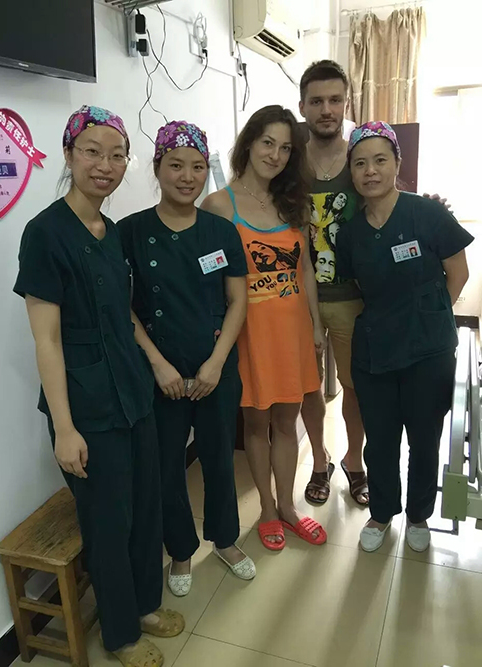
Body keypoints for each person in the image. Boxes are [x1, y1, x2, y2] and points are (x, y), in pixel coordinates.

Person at [14, 106, 185, 667]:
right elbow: (46, 340)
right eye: (91, 151)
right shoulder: (45, 233)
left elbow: (124, 315)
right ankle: (121, 636)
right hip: (86, 404)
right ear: (68, 155)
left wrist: (156, 362)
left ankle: (145, 605)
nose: (104, 165)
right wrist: (64, 428)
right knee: (109, 523)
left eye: (116, 155)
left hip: (132, 391)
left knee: (146, 507)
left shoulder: (110, 233)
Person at [299, 59, 452, 508]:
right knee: (307, 387)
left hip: (356, 299)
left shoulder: (359, 154)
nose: (326, 109)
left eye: (335, 100)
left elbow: (392, 204)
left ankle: (354, 462)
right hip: (301, 296)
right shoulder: (290, 162)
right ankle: (319, 462)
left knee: (357, 388)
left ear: (346, 103)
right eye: (316, 101)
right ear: (303, 106)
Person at [117, 120, 255, 598]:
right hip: (162, 373)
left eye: (197, 167)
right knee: (166, 467)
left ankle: (225, 539)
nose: (188, 176)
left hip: (215, 367)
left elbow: (238, 301)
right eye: (176, 165)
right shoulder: (130, 232)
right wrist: (158, 364)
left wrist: (216, 363)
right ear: (157, 168)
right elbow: (123, 308)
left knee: (219, 459)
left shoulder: (221, 231)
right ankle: (179, 549)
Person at [336, 121, 473, 552]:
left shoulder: (427, 214)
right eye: (360, 163)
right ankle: (381, 514)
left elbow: (459, 273)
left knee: (424, 438)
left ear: (397, 163)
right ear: (351, 172)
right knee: (380, 440)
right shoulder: (351, 233)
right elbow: (360, 286)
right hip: (375, 350)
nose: (370, 171)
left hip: (429, 351)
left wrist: (430, 317)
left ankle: (418, 514)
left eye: (380, 160)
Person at [202, 105, 327, 551]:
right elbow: (209, 277)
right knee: (256, 423)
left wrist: (315, 325)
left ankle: (289, 507)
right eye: (267, 143)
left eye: (285, 148)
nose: (275, 155)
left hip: (292, 330)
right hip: (249, 331)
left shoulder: (293, 202)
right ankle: (267, 509)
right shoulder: (219, 205)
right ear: (249, 143)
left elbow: (305, 269)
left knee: (287, 421)